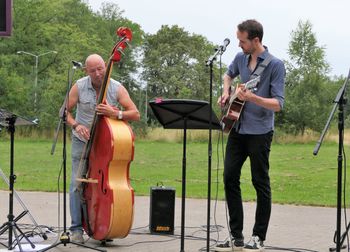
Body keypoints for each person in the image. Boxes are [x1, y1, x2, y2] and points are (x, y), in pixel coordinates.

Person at [215, 19, 285, 251]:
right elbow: (228, 76)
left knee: (260, 182)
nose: (239, 45)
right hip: (237, 128)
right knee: (229, 178)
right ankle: (236, 236)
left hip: (260, 132)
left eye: (242, 41)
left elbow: (278, 104)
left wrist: (252, 98)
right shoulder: (240, 59)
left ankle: (258, 237)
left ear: (256, 40)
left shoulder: (275, 65)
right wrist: (226, 92)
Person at [66, 54, 140, 243]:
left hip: (106, 145)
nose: (98, 73)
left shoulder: (116, 87)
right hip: (81, 142)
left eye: (100, 68)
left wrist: (116, 113)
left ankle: (104, 224)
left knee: (103, 185)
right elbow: (64, 112)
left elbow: (135, 113)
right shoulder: (79, 85)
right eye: (93, 70)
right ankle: (76, 229)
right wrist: (76, 125)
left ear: (106, 66)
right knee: (77, 185)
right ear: (86, 71)